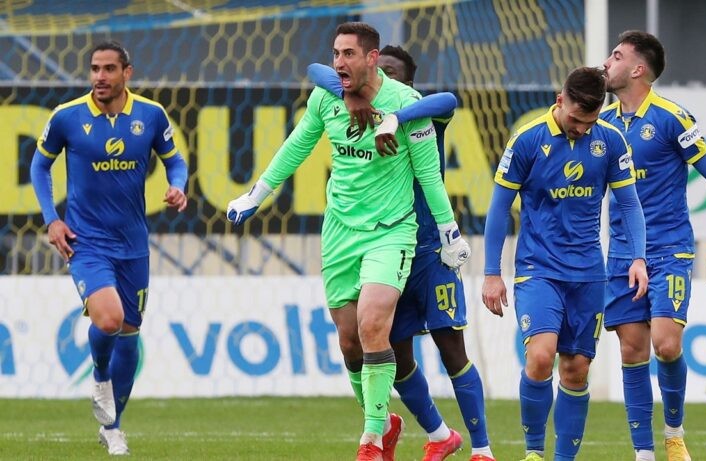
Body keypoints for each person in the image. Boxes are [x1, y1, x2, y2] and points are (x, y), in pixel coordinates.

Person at [226, 22, 470, 461]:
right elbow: (296, 147)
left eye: (348, 54)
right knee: (349, 342)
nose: (339, 62)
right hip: (340, 230)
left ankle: (371, 440)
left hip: (391, 231)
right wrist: (255, 195)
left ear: (372, 58)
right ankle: (385, 421)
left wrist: (449, 232)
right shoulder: (327, 98)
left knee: (373, 325)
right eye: (336, 54)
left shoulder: (406, 105)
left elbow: (429, 176)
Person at [308, 45, 495, 461]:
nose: (379, 78)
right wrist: (351, 95)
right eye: (376, 71)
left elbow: (448, 100)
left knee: (451, 347)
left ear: (407, 84)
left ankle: (482, 449)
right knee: (393, 351)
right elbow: (315, 70)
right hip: (385, 248)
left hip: (430, 251)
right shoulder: (357, 113)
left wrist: (396, 115)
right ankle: (439, 435)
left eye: (390, 73)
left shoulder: (420, 115)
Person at [29, 40, 189, 456]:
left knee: (130, 333)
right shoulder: (67, 117)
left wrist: (178, 186)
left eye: (108, 69)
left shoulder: (151, 115)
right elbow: (39, 165)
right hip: (86, 242)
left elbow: (175, 160)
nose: (99, 77)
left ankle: (113, 427)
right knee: (109, 319)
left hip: (133, 244)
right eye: (95, 69)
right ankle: (99, 375)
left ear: (126, 73)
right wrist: (52, 219)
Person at [483, 66, 649, 461]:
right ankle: (533, 453)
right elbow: (499, 208)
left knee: (576, 368)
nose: (581, 128)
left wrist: (638, 257)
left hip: (589, 273)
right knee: (541, 356)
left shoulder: (610, 140)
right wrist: (492, 272)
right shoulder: (527, 140)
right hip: (538, 268)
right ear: (560, 100)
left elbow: (629, 204)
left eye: (589, 122)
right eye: (575, 119)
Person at [601, 30, 706, 461]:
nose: (606, 62)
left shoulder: (672, 117)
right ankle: (644, 453)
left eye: (616, 56)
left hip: (669, 249)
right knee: (632, 350)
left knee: (667, 344)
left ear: (638, 69)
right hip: (622, 253)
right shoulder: (602, 122)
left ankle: (674, 435)